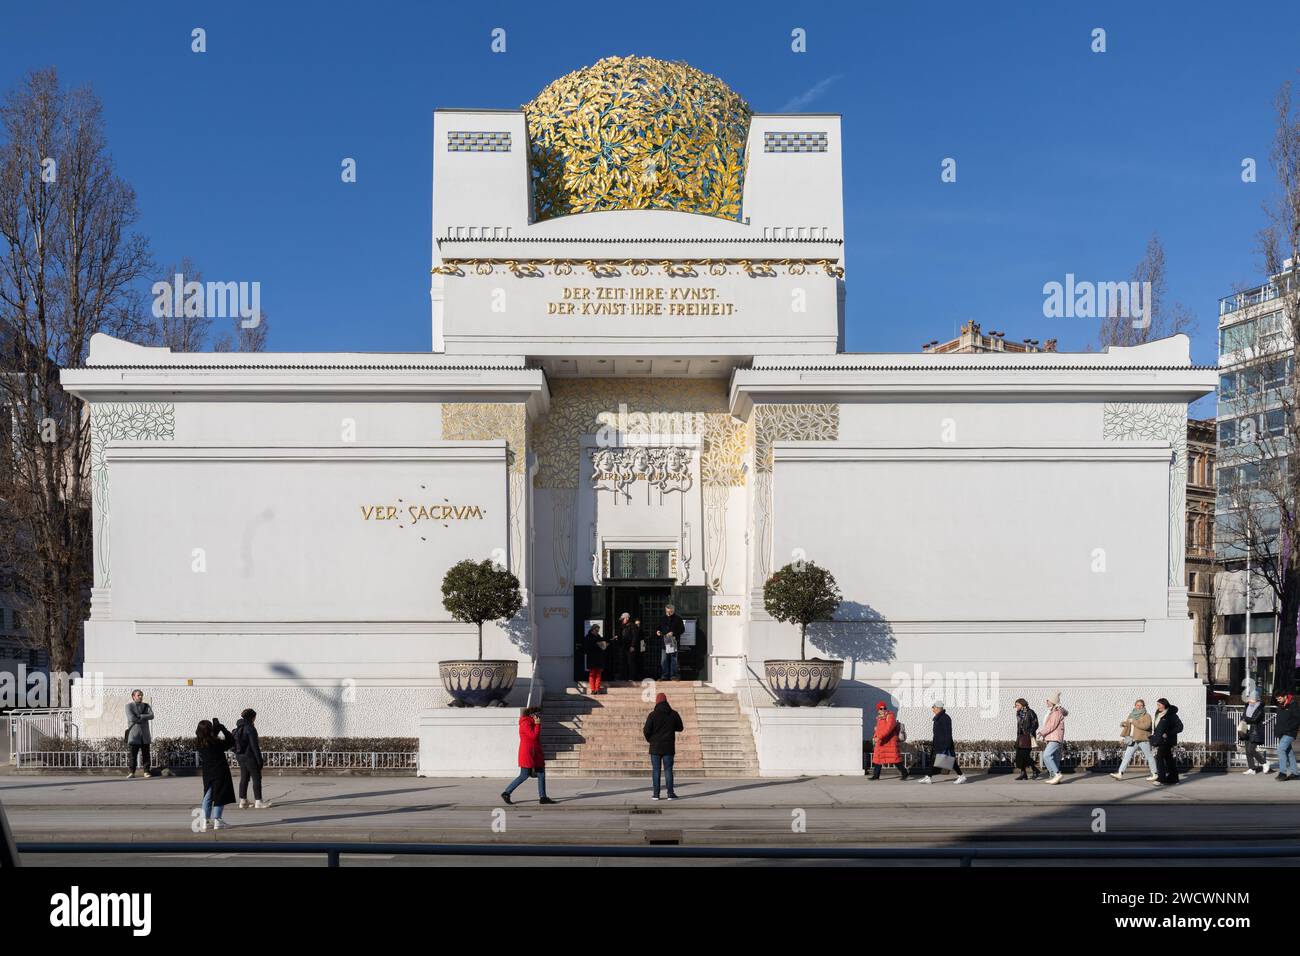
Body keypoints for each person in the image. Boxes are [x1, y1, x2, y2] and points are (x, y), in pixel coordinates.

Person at [502, 707, 554, 805]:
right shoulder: (525, 723)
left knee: (541, 774)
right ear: (532, 715)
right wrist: (537, 725)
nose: (539, 717)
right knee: (524, 775)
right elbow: (533, 736)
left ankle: (543, 797)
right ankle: (506, 793)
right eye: (538, 714)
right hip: (528, 753)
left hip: (535, 753)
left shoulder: (531, 722)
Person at [195, 718, 237, 831]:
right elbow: (230, 741)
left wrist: (215, 729)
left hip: (208, 772)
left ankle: (205, 820)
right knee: (220, 795)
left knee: (208, 795)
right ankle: (217, 820)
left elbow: (209, 736)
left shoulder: (199, 742)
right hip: (220, 771)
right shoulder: (216, 742)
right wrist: (223, 729)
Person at [643, 692, 684, 800]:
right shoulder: (674, 714)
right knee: (668, 770)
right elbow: (680, 728)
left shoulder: (652, 715)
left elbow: (646, 730)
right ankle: (670, 794)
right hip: (668, 747)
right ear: (666, 701)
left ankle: (656, 794)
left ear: (656, 702)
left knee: (656, 770)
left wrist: (650, 740)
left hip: (655, 747)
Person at [917, 702, 965, 784]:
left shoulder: (945, 718)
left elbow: (948, 733)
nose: (932, 709)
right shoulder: (938, 717)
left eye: (933, 707)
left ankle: (961, 776)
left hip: (944, 744)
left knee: (951, 761)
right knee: (933, 759)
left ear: (938, 708)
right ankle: (928, 777)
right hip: (938, 743)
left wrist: (947, 745)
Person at [1110, 699, 1156, 781]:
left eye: (1141, 705)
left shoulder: (1147, 716)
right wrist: (1124, 724)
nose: (1139, 707)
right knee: (1127, 756)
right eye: (1137, 705)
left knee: (1149, 756)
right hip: (1133, 739)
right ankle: (1120, 773)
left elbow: (1146, 726)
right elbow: (1128, 724)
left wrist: (1134, 722)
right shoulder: (1131, 714)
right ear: (1135, 705)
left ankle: (1155, 774)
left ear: (1144, 706)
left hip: (1143, 739)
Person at [234, 708, 271, 809]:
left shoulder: (238, 727)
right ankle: (258, 801)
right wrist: (259, 760)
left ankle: (243, 801)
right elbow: (254, 746)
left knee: (244, 778)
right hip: (250, 757)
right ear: (252, 717)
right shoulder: (250, 728)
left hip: (240, 756)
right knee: (256, 778)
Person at [869, 701, 909, 780]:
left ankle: (905, 773)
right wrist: (875, 736)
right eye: (881, 708)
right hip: (881, 742)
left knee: (895, 759)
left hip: (889, 742)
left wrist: (879, 737)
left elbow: (888, 729)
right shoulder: (879, 718)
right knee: (878, 759)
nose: (883, 709)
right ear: (878, 710)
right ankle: (876, 776)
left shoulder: (890, 716)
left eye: (884, 708)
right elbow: (878, 730)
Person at [1036, 692, 1067, 785]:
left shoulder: (1056, 712)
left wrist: (1041, 732)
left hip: (1055, 738)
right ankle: (1054, 777)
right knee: (1054, 758)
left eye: (1048, 701)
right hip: (1053, 738)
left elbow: (1051, 726)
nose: (1046, 702)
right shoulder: (1053, 711)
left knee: (1046, 755)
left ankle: (1057, 774)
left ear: (1053, 702)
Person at [1151, 697, 1183, 786]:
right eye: (1157, 705)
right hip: (1160, 740)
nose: (1158, 706)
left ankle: (1161, 779)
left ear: (1165, 705)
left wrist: (1168, 733)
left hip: (1167, 740)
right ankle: (1174, 779)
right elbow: (1157, 728)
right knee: (1168, 759)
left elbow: (1180, 727)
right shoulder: (1158, 714)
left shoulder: (1172, 715)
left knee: (1159, 758)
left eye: (1159, 705)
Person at [124, 689, 154, 779]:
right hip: (134, 734)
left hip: (145, 735)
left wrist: (140, 716)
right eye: (138, 695)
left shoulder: (146, 705)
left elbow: (152, 715)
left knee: (146, 755)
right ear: (133, 696)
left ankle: (146, 772)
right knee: (133, 756)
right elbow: (131, 718)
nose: (140, 697)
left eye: (141, 695)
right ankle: (131, 772)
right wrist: (145, 717)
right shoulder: (128, 706)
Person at [1274, 692, 1300, 782]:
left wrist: (1289, 728)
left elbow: (1297, 719)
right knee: (1289, 752)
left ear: (1285, 696)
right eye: (1277, 699)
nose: (1278, 700)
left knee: (1281, 749)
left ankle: (1282, 773)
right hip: (1281, 733)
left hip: (1290, 733)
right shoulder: (1280, 706)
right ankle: (1295, 773)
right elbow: (1279, 720)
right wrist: (1277, 731)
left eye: (1279, 698)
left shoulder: (1293, 705)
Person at [1241, 692, 1269, 775]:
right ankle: (1252, 768)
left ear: (1256, 698)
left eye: (1251, 698)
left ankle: (1264, 762)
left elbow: (1255, 719)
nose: (1249, 700)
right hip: (1247, 730)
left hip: (1255, 731)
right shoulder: (1247, 706)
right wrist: (1243, 720)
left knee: (1251, 750)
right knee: (1247, 751)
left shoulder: (1260, 708)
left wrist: (1245, 719)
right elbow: (1243, 716)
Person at [1012, 698, 1039, 780]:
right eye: (1015, 705)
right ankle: (1023, 774)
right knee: (1020, 756)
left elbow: (1035, 723)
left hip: (1028, 737)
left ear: (1023, 704)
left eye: (1018, 705)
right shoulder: (1018, 713)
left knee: (1025, 755)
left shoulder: (1030, 712)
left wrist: (1030, 732)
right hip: (1020, 737)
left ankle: (1035, 770)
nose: (1016, 707)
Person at [657, 605, 685, 681]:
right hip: (664, 643)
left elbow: (682, 630)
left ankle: (674, 676)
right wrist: (658, 631)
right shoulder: (662, 618)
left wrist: (673, 633)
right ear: (665, 610)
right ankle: (664, 676)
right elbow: (658, 627)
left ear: (673, 610)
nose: (669, 613)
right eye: (667, 611)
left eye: (671, 611)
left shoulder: (678, 619)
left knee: (674, 660)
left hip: (674, 642)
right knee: (664, 660)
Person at [583, 622, 607, 695]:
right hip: (591, 658)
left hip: (599, 658)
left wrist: (604, 644)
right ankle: (593, 689)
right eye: (596, 630)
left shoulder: (599, 637)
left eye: (598, 630)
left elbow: (603, 646)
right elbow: (587, 647)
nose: (597, 632)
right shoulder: (588, 637)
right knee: (592, 674)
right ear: (592, 630)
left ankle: (597, 689)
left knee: (598, 674)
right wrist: (596, 645)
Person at [620, 612, 642, 682]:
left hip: (630, 646)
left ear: (627, 618)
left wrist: (632, 646)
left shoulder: (632, 626)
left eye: (623, 619)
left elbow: (635, 637)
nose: (622, 620)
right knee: (624, 662)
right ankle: (624, 677)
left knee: (631, 662)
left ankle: (631, 677)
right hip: (624, 646)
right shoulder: (623, 626)